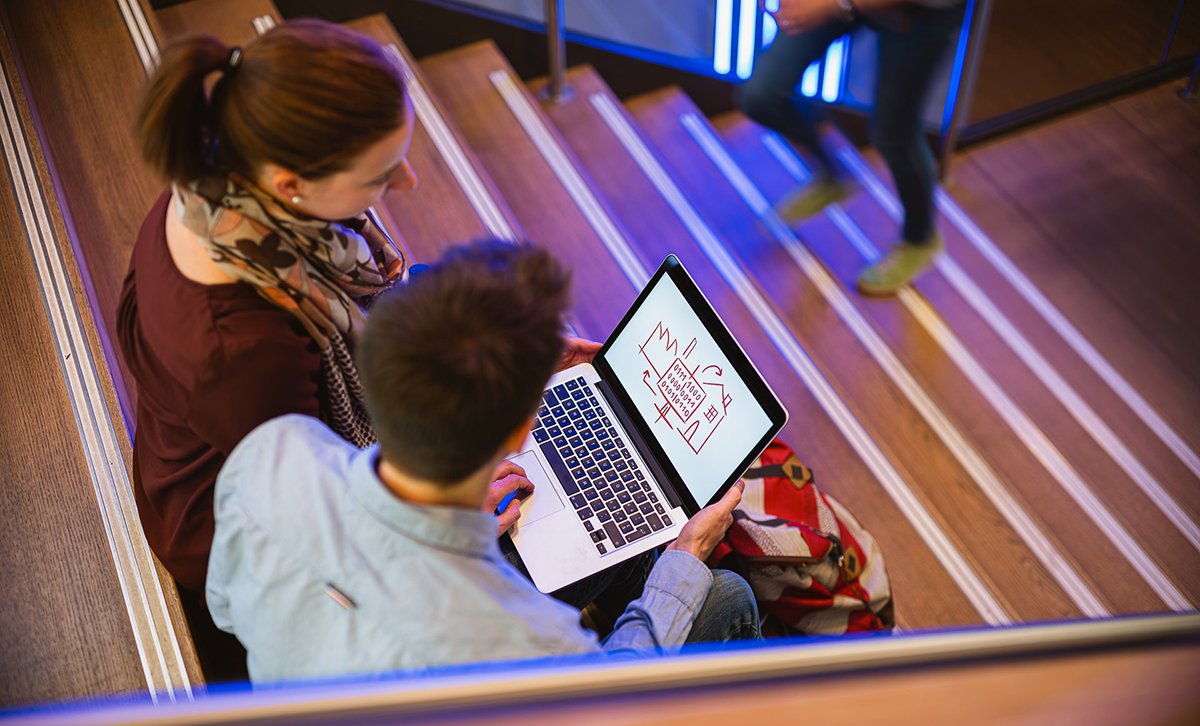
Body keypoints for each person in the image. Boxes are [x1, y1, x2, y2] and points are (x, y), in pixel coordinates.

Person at [205, 241, 761, 682]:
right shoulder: (533, 638)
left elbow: (225, 608)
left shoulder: (272, 453)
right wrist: (684, 557)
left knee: (624, 537)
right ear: (523, 427)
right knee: (725, 594)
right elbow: (611, 699)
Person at [737, 0, 965, 294]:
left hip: (921, 12)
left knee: (895, 134)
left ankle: (920, 239)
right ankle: (832, 178)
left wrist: (833, 5)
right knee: (761, 96)